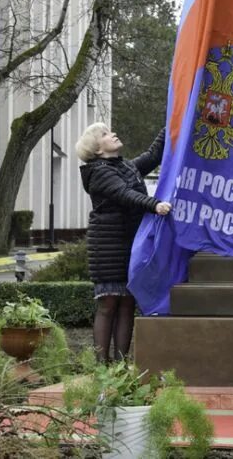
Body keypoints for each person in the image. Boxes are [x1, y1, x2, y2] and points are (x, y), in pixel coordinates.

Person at [76, 124, 170, 362]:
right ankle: (102, 367)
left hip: (130, 243)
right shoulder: (99, 172)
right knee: (108, 305)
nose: (113, 134)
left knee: (127, 303)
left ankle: (120, 365)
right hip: (108, 246)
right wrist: (154, 204)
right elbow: (124, 194)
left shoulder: (125, 166)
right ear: (97, 149)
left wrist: (172, 119)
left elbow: (153, 155)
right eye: (105, 135)